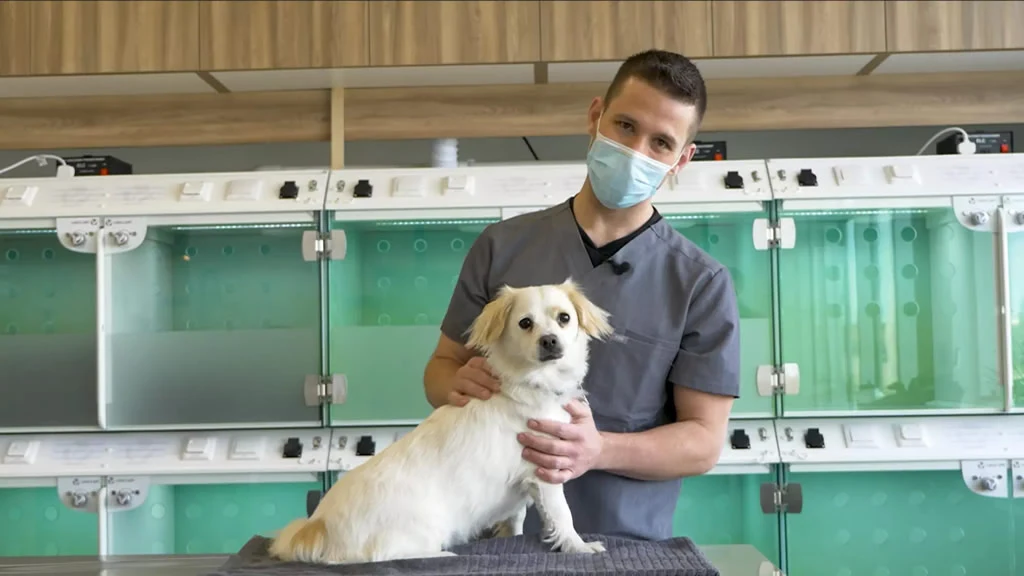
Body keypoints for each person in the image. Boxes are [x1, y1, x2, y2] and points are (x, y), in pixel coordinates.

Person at [422, 49, 740, 542]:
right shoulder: (501, 248)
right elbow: (440, 370)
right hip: (492, 539)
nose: (636, 151)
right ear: (596, 117)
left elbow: (703, 442)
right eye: (625, 126)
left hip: (622, 543)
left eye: (660, 143)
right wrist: (454, 385)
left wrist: (599, 450)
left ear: (682, 160)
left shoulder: (700, 283)